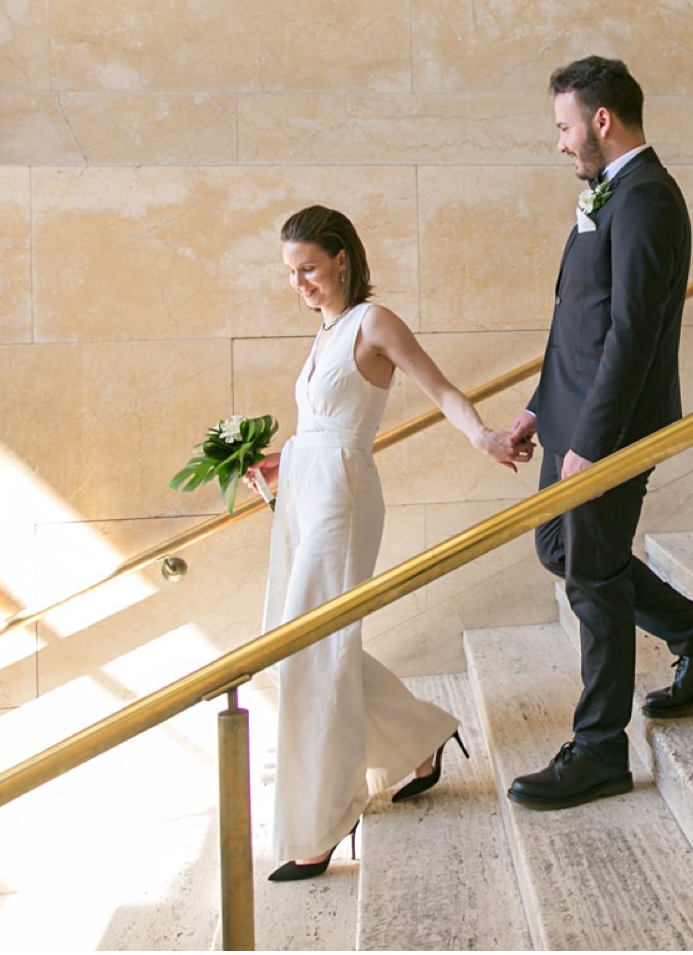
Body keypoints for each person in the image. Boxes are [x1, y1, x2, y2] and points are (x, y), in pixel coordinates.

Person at [502, 56, 693, 811]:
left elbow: (632, 334)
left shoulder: (646, 198)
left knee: (590, 575)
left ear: (601, 120)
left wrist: (594, 441)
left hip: (609, 428)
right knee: (564, 550)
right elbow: (574, 320)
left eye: (562, 125)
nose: (558, 143)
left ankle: (599, 748)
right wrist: (538, 410)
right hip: (571, 416)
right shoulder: (608, 194)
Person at [248, 204, 530, 880]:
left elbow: (441, 388)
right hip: (305, 494)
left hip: (344, 497)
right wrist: (277, 464)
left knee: (307, 649)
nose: (300, 283)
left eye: (308, 267)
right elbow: (316, 424)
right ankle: (422, 736)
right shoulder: (322, 334)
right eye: (291, 273)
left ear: (342, 257)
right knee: (296, 644)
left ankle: (321, 821)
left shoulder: (374, 322)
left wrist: (485, 436)